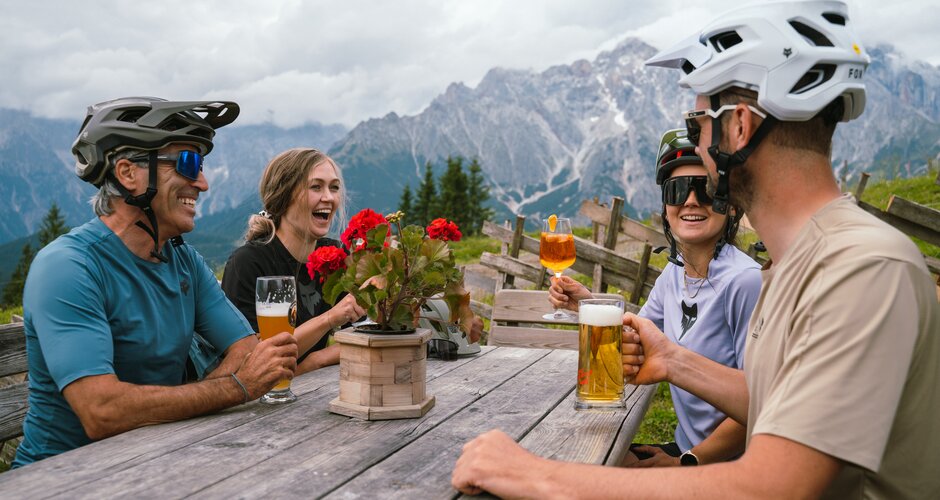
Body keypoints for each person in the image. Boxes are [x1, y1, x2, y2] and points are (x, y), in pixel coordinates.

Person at [452, 2, 940, 497]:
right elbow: (782, 403)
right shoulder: (804, 260)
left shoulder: (860, 266)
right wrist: (672, 360)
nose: (695, 150)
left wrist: (529, 473)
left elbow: (771, 486)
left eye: (697, 126)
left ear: (740, 127)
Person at [14, 97, 298, 468]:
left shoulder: (184, 260)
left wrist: (190, 399)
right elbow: (101, 410)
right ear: (129, 173)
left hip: (156, 459)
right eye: (188, 163)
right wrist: (234, 388)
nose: (203, 182)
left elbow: (247, 350)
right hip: (61, 475)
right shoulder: (68, 267)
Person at [548, 128, 760, 467]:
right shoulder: (675, 273)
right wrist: (585, 303)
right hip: (686, 447)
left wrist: (685, 463)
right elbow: (639, 336)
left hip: (727, 464)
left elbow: (764, 404)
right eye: (677, 191)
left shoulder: (744, 282)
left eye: (705, 189)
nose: (691, 201)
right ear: (666, 209)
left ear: (731, 206)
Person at [220, 148, 365, 375]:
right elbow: (251, 363)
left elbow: (363, 334)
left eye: (334, 187)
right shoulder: (248, 263)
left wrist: (316, 359)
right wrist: (329, 318)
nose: (328, 197)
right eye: (315, 187)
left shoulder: (334, 254)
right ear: (283, 196)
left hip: (313, 390)